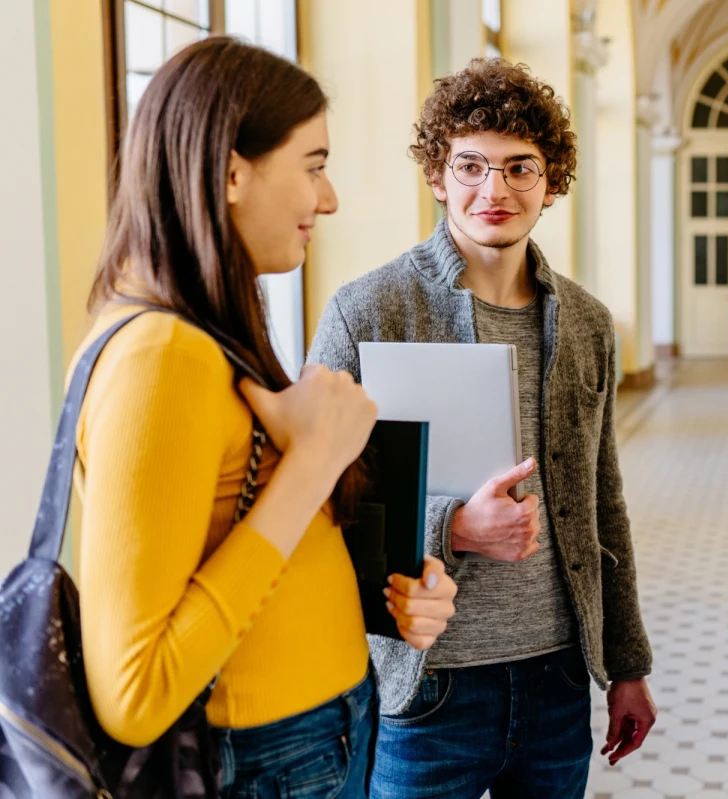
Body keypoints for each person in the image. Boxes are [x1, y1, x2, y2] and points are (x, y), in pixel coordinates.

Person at [75, 37, 457, 797]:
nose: (330, 197)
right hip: (269, 757)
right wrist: (312, 465)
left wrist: (387, 589)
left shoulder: (205, 331)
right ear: (230, 172)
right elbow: (135, 692)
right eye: (313, 165)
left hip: (307, 740)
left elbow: (242, 548)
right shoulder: (161, 355)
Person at [308, 58, 655, 799]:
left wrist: (628, 664)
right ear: (437, 175)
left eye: (519, 169)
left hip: (559, 676)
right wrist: (454, 527)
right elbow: (315, 505)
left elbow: (604, 502)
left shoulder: (588, 323)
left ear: (552, 182)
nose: (492, 191)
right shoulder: (366, 312)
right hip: (426, 685)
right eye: (469, 166)